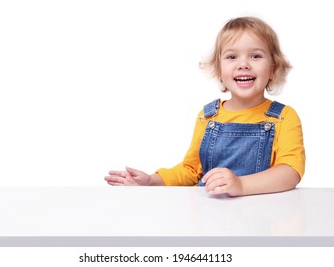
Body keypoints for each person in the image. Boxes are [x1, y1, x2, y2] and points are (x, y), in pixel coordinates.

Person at [104, 16, 305, 197]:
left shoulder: (283, 117)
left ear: (273, 68)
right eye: (232, 57)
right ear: (219, 70)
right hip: (209, 215)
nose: (243, 64)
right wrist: (153, 181)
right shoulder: (209, 116)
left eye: (255, 56)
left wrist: (241, 185)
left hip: (260, 218)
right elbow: (191, 170)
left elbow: (290, 172)